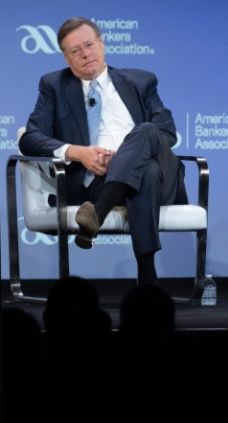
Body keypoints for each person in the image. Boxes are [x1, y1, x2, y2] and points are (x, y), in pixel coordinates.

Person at [19, 16, 188, 285]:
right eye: (76, 51)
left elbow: (166, 133)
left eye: (89, 45)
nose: (86, 54)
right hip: (95, 182)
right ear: (66, 58)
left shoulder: (141, 81)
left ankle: (96, 214)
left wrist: (125, 156)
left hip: (163, 183)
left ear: (102, 44)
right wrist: (78, 153)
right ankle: (147, 278)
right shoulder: (53, 86)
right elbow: (30, 139)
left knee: (146, 131)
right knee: (146, 171)